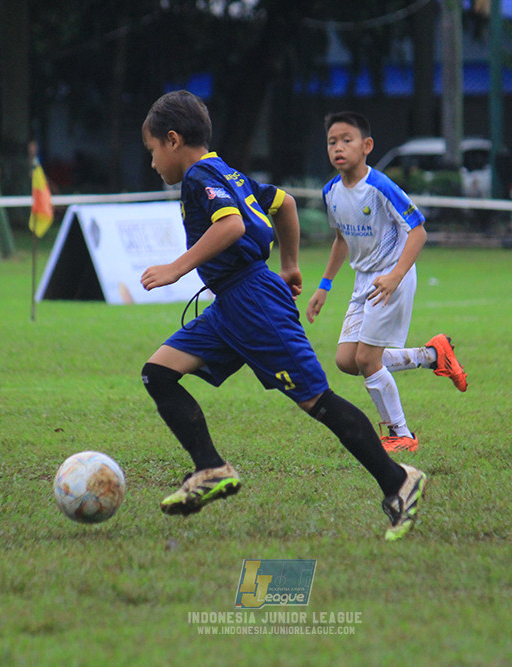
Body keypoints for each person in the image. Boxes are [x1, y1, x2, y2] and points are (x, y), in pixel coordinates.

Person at [137, 91, 425, 541]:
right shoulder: (225, 170)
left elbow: (230, 225)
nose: (153, 163)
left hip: (252, 301)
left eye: (152, 151)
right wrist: (290, 265)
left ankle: (399, 481)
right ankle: (211, 468)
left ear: (172, 140)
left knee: (318, 402)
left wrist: (177, 268)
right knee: (158, 372)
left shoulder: (198, 177)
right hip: (232, 303)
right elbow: (285, 204)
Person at [305, 111, 467, 453]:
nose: (338, 147)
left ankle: (401, 434)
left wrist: (395, 276)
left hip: (393, 275)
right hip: (364, 279)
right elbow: (341, 240)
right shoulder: (331, 191)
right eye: (332, 141)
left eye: (346, 140)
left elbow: (418, 231)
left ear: (367, 146)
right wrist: (324, 286)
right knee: (347, 360)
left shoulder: (380, 187)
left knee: (367, 360)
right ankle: (433, 355)